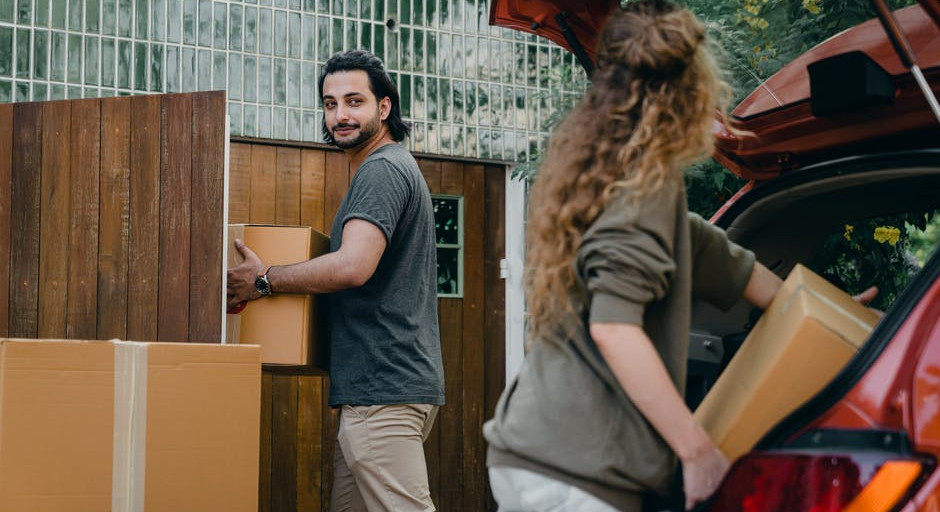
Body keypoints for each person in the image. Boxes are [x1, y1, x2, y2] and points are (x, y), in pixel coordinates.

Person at [482, 2, 784, 511]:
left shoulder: (606, 177)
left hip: (531, 458)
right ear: (689, 90)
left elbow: (729, 264)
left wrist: (827, 311)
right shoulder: (645, 191)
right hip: (576, 476)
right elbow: (615, 329)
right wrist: (697, 452)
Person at [227, 49, 445, 512]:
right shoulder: (388, 167)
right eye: (330, 104)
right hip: (380, 389)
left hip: (383, 390)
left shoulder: (383, 169)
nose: (340, 115)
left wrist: (265, 280)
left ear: (383, 108)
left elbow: (353, 265)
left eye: (354, 101)